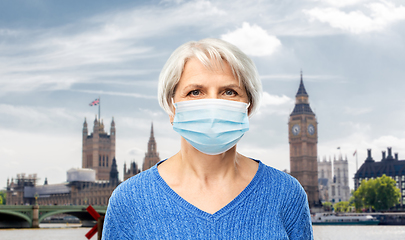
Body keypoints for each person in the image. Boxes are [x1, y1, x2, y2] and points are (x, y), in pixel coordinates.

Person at [102, 38, 313, 239]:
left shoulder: (287, 194)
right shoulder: (129, 200)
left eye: (229, 92)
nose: (212, 104)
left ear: (248, 106)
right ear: (171, 108)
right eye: (195, 92)